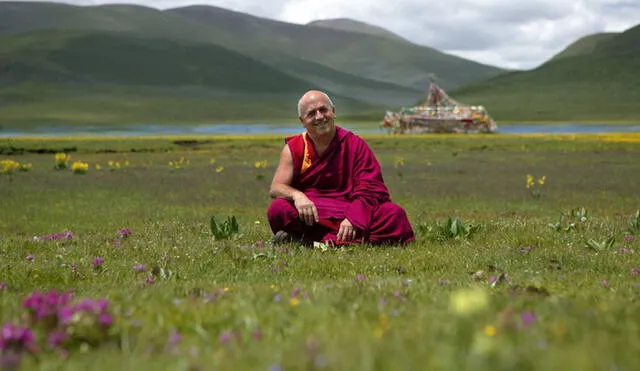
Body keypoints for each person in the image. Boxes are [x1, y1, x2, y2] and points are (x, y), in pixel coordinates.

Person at [266, 90, 415, 246]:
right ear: (302, 121)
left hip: (350, 207)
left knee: (394, 214)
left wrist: (354, 218)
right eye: (311, 114)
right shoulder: (295, 148)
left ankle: (312, 242)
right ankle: (341, 241)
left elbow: (371, 188)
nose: (319, 117)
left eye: (323, 110)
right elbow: (276, 188)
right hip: (313, 213)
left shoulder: (355, 144)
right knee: (278, 209)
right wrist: (298, 196)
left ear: (333, 112)